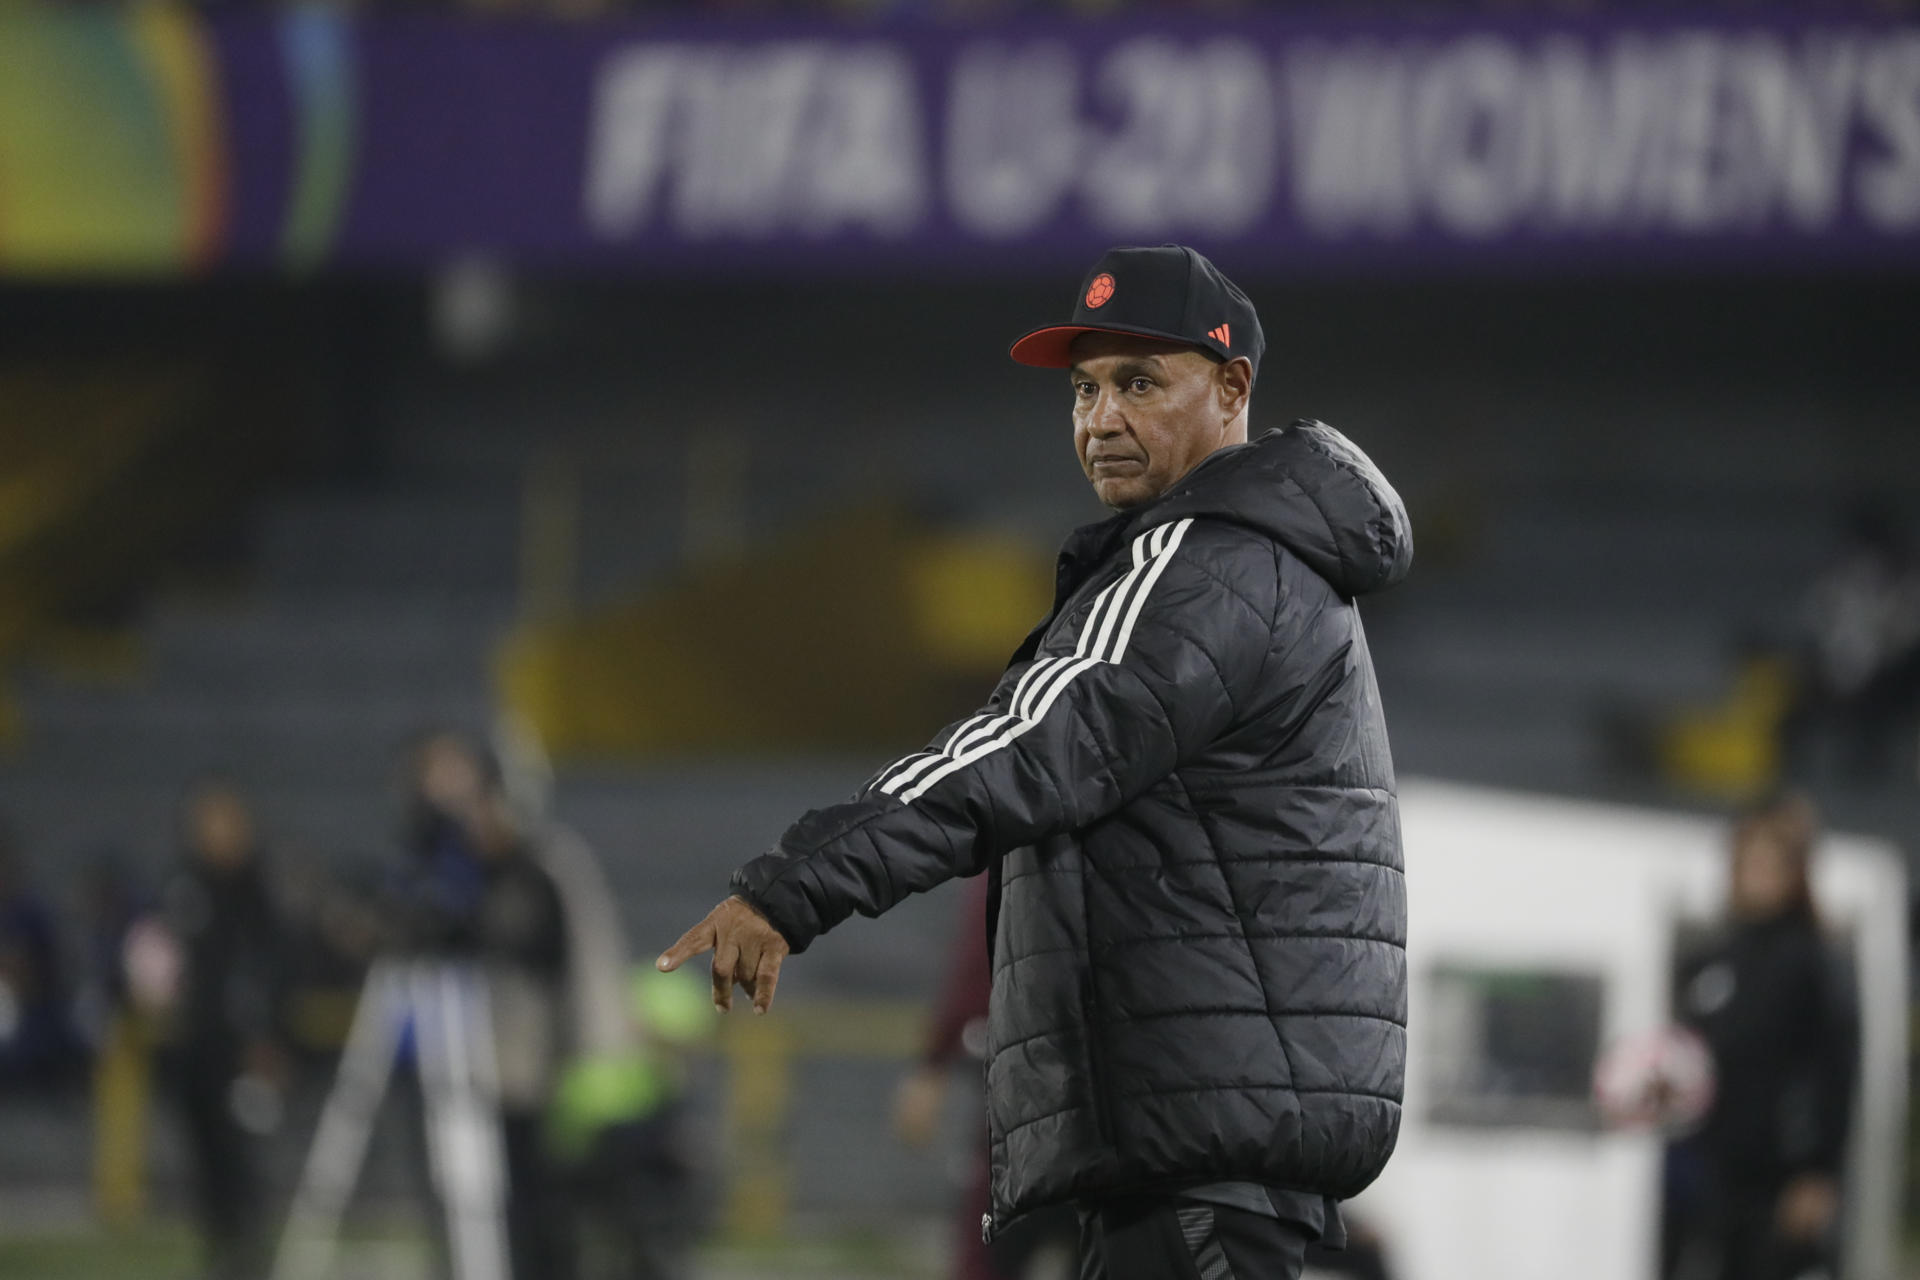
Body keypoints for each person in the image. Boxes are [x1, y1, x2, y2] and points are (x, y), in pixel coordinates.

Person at [661, 244, 1413, 1280]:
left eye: (1140, 382)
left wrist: (797, 882)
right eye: (1086, 388)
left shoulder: (1211, 564)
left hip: (1201, 1176)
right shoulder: (1251, 561)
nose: (1100, 418)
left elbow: (1024, 744)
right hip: (1202, 1163)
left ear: (1233, 387)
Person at [1665, 792, 1859, 1280]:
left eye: (1765, 866)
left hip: (1776, 1172)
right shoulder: (1718, 955)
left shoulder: (1808, 958)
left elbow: (1834, 1070)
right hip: (1711, 1167)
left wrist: (1818, 1171)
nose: (1752, 876)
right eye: (1744, 863)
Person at [158, 779, 291, 1280]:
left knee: (243, 1160)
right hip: (195, 1046)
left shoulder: (258, 891)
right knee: (205, 1157)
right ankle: (218, 1251)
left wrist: (268, 1036)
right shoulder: (185, 885)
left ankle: (249, 1255)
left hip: (244, 1049)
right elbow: (164, 955)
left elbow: (275, 969)